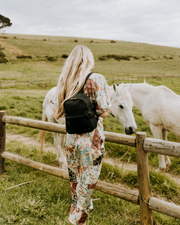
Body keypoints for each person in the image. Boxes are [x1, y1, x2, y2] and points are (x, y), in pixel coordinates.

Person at [54, 45, 111, 225]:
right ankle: (78, 219)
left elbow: (58, 112)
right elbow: (104, 112)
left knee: (75, 179)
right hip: (91, 141)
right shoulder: (96, 78)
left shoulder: (64, 80)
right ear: (88, 59)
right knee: (88, 181)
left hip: (71, 139)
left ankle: (80, 211)